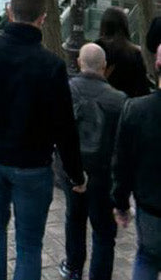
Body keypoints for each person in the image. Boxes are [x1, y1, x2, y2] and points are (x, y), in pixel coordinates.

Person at [0, 0, 86, 280]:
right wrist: (76, 174)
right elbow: (65, 127)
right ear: (42, 19)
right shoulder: (52, 66)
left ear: (9, 12)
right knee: (29, 244)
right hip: (33, 167)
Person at [59, 42, 127, 280]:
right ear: (105, 66)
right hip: (103, 174)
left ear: (79, 63)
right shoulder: (119, 100)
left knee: (74, 217)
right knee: (104, 232)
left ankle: (74, 266)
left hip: (71, 169)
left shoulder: (64, 91)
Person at [112, 44, 161, 280]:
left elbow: (122, 165)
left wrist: (121, 203)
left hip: (151, 209)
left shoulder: (136, 110)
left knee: (148, 257)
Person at [95, 6, 150, 98]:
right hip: (126, 105)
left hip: (100, 104)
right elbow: (142, 89)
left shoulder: (95, 49)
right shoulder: (134, 53)